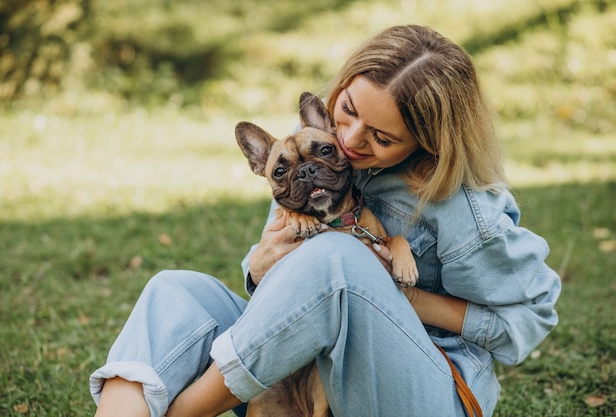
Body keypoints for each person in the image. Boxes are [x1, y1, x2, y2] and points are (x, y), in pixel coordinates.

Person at [90, 24, 561, 417]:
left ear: (428, 141)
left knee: (336, 259)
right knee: (174, 292)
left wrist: (400, 299)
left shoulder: (459, 206)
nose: (350, 140)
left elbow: (528, 320)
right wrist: (259, 270)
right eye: (348, 111)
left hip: (426, 390)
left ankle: (184, 412)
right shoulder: (319, 166)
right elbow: (290, 298)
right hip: (313, 377)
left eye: (381, 136)